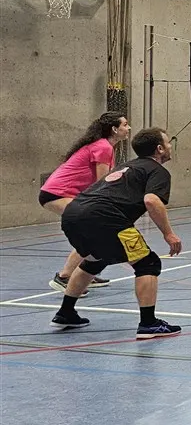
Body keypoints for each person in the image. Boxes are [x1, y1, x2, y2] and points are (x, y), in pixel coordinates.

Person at [50, 127, 183, 339]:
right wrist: (169, 234)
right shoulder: (157, 171)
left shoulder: (126, 166)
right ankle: (149, 324)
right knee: (147, 263)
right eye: (167, 143)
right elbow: (151, 200)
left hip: (73, 214)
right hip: (107, 218)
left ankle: (66, 312)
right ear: (159, 149)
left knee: (94, 260)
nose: (169, 146)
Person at [40, 111, 130, 293]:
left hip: (66, 194)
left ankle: (85, 272)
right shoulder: (103, 147)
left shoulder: (104, 146)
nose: (128, 128)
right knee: (93, 232)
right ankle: (64, 277)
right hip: (56, 194)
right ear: (114, 129)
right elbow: (102, 183)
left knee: (95, 233)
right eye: (125, 124)